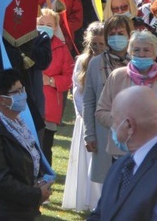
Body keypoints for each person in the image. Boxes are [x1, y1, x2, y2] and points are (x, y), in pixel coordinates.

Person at [0, 69, 51, 220]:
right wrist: (35, 194)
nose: (23, 95)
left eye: (23, 89)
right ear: (2, 99)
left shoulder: (18, 122)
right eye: (17, 91)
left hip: (19, 208)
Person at [87, 86, 157, 221]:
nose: (112, 127)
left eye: (114, 121)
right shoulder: (120, 166)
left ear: (129, 126)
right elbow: (100, 215)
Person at [95, 30, 157, 158]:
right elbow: (101, 111)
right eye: (136, 50)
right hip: (122, 151)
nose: (141, 54)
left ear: (155, 54)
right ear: (130, 52)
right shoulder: (116, 76)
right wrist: (123, 125)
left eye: (146, 50)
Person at [83, 14, 133, 183]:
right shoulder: (96, 63)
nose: (116, 38)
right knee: (107, 184)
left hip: (132, 133)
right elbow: (89, 101)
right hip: (103, 131)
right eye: (112, 34)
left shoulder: (137, 61)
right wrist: (89, 134)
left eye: (121, 33)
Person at [62, 22, 105, 211]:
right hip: (87, 117)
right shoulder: (82, 61)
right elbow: (77, 91)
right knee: (87, 158)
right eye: (94, 44)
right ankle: (87, 199)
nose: (98, 48)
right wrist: (85, 115)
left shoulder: (110, 60)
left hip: (105, 116)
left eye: (101, 44)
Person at [37, 8, 74, 165]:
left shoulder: (62, 49)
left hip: (50, 108)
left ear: (55, 27)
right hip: (28, 105)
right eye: (41, 23)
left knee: (45, 148)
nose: (45, 27)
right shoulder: (26, 45)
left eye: (49, 25)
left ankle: (45, 182)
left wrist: (51, 81)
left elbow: (70, 77)